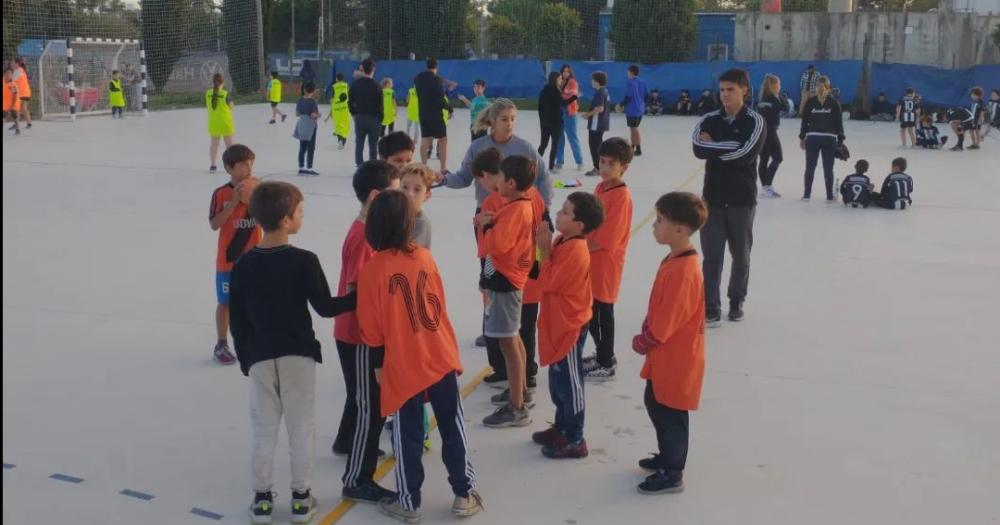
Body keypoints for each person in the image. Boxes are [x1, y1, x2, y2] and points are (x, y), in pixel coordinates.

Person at [229, 181, 357, 525]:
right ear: (286, 220)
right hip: (298, 355)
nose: (302, 217)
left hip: (259, 357)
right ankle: (301, 499)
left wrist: (245, 358)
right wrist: (358, 295)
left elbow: (237, 319)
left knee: (264, 430)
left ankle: (262, 499)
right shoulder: (304, 260)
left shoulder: (243, 265)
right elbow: (326, 308)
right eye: (300, 212)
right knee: (301, 428)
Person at [356, 191, 484, 523]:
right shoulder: (426, 257)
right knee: (453, 426)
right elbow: (438, 303)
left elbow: (371, 331)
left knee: (407, 433)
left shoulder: (373, 269)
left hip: (402, 364)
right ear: (408, 224)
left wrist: (378, 365)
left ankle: (409, 501)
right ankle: (464, 493)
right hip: (438, 353)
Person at [332, 161, 401, 504]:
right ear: (376, 196)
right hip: (359, 334)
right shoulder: (363, 239)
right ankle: (357, 478)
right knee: (370, 408)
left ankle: (347, 442)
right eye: (395, 190)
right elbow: (360, 291)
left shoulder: (366, 230)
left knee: (361, 398)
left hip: (357, 333)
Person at [632, 192, 708, 495]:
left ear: (679, 230)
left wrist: (645, 339)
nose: (654, 226)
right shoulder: (674, 259)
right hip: (665, 354)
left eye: (660, 221)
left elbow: (670, 318)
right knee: (655, 401)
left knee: (671, 412)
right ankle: (667, 456)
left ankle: (672, 471)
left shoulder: (684, 271)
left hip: (676, 355)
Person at [532, 191, 605, 459]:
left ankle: (575, 437)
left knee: (570, 381)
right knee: (558, 379)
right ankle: (562, 427)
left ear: (580, 225)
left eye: (565, 212)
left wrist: (543, 250)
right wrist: (547, 249)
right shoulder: (564, 239)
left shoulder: (575, 249)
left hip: (570, 324)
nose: (559, 215)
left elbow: (548, 281)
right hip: (557, 320)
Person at [692, 68, 765, 326]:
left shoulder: (755, 121)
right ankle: (710, 306)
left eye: (730, 90)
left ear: (744, 90)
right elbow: (698, 149)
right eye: (721, 90)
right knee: (711, 257)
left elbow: (745, 154)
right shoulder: (709, 119)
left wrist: (715, 145)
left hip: (741, 200)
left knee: (741, 255)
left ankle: (736, 301)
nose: (725, 95)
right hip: (712, 199)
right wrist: (728, 145)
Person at [477, 155, 538, 428]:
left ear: (511, 183)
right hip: (506, 278)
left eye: (500, 178)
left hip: (506, 280)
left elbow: (498, 246)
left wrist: (486, 225)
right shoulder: (519, 205)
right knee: (512, 338)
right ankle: (520, 389)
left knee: (507, 341)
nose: (496, 183)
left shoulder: (515, 210)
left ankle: (516, 406)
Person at [576, 138, 633, 381]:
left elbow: (605, 239)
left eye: (612, 164)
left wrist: (575, 245)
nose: (605, 168)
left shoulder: (621, 196)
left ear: (624, 167)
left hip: (605, 264)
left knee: (602, 312)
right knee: (591, 309)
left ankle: (606, 360)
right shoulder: (601, 188)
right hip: (590, 262)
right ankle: (601, 353)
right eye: (602, 162)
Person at [208, 145, 263, 365]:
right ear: (229, 168)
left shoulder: (259, 189)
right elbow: (214, 224)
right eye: (242, 165)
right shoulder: (221, 193)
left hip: (254, 260)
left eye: (251, 163)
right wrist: (232, 205)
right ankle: (221, 343)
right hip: (228, 261)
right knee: (226, 302)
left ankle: (251, 339)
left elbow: (268, 219)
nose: (248, 168)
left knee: (254, 301)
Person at [799, 76, 844, 201]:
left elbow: (804, 121)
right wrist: (840, 140)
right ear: (828, 87)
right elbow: (838, 123)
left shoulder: (810, 102)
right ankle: (829, 195)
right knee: (828, 168)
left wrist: (802, 137)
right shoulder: (834, 103)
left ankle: (807, 194)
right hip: (829, 138)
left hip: (812, 137)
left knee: (810, 167)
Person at [414, 58, 453, 173]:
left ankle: (423, 166)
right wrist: (449, 108)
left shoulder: (418, 78)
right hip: (435, 114)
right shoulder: (436, 80)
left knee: (425, 139)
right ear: (437, 67)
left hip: (423, 113)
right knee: (442, 140)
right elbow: (440, 99)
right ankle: (443, 168)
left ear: (427, 66)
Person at [349, 59, 384, 167]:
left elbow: (350, 102)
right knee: (373, 145)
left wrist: (354, 114)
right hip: (374, 118)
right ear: (373, 69)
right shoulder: (377, 86)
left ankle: (359, 164)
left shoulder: (355, 85)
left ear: (362, 69)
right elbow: (380, 105)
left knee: (359, 143)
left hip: (359, 117)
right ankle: (372, 165)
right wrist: (380, 118)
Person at [538, 72, 575, 171]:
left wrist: (542, 119)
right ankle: (551, 166)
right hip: (555, 123)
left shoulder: (544, 90)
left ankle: (535, 164)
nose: (561, 80)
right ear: (555, 80)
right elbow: (562, 103)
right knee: (554, 145)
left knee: (543, 144)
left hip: (545, 123)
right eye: (559, 79)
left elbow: (540, 106)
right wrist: (574, 97)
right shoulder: (555, 91)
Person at [756, 74, 784, 198]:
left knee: (764, 159)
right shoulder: (774, 98)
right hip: (770, 131)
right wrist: (780, 96)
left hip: (761, 132)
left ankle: (765, 187)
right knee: (778, 158)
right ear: (774, 86)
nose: (780, 86)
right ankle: (767, 185)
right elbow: (786, 108)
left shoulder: (762, 98)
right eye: (779, 84)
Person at [555, 65, 585, 172]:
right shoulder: (559, 81)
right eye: (564, 72)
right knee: (559, 137)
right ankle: (559, 162)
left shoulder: (573, 82)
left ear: (570, 73)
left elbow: (572, 96)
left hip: (570, 112)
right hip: (559, 111)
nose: (565, 74)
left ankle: (579, 161)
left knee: (572, 137)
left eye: (567, 72)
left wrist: (561, 95)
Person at [580, 71, 610, 177]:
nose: (591, 81)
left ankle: (597, 168)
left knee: (594, 146)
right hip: (601, 123)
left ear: (597, 81)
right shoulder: (604, 91)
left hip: (596, 124)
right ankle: (601, 167)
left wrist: (588, 115)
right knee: (599, 145)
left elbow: (600, 108)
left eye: (593, 80)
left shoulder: (600, 92)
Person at [400, 163, 435, 248]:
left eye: (417, 190)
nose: (410, 194)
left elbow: (405, 254)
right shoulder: (396, 215)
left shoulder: (421, 224)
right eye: (405, 187)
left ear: (427, 195)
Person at [206, 73, 236, 173]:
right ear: (223, 82)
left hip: (214, 123)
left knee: (214, 146)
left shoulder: (208, 93)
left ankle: (213, 166)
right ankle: (232, 166)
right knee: (230, 147)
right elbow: (232, 106)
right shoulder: (225, 94)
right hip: (225, 123)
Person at [617, 65, 649, 156]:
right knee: (632, 128)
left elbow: (629, 96)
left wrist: (621, 104)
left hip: (632, 109)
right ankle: (632, 147)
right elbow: (647, 95)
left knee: (634, 129)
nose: (627, 73)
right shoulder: (643, 82)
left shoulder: (630, 82)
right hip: (640, 108)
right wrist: (642, 103)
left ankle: (638, 149)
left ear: (631, 72)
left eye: (628, 72)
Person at [293, 82, 321, 176]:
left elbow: (297, 114)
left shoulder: (300, 100)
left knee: (302, 147)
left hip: (301, 124)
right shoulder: (312, 102)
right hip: (310, 125)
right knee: (311, 147)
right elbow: (313, 115)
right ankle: (309, 168)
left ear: (304, 90)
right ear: (313, 90)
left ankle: (301, 167)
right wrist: (318, 115)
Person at [325, 73, 350, 150]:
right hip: (345, 108)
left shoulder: (333, 87)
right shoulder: (347, 86)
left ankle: (340, 140)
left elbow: (331, 99)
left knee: (338, 125)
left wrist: (331, 111)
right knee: (345, 125)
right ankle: (344, 141)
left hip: (336, 108)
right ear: (343, 79)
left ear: (336, 79)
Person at [12, 57, 31, 129]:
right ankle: (29, 123)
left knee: (16, 109)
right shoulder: (22, 70)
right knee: (24, 109)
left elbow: (12, 83)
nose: (12, 64)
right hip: (26, 92)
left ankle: (16, 125)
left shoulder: (17, 71)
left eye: (13, 62)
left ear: (17, 64)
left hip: (21, 93)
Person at [3, 67, 21, 135]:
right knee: (3, 116)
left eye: (10, 73)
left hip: (14, 102)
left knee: (14, 116)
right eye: (7, 73)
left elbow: (15, 96)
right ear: (4, 74)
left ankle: (17, 128)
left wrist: (12, 105)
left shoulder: (13, 85)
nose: (8, 75)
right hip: (5, 102)